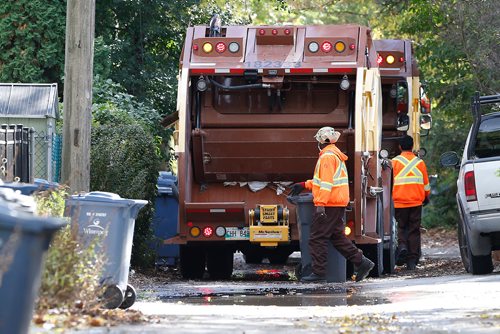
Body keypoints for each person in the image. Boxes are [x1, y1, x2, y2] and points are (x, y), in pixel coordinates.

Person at [290, 126, 374, 283]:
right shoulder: (334, 155)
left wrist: (320, 204)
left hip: (329, 204)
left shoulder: (327, 157)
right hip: (336, 203)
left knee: (317, 237)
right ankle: (362, 262)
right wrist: (304, 184)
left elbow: (327, 183)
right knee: (337, 237)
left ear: (322, 141)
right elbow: (324, 181)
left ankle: (319, 273)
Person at [392, 135, 430, 270]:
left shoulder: (394, 163)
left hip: (399, 202)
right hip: (416, 202)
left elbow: (389, 184)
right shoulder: (419, 163)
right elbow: (426, 184)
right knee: (414, 230)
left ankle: (402, 247)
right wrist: (426, 197)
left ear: (400, 147)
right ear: (412, 146)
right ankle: (412, 261)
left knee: (401, 227)